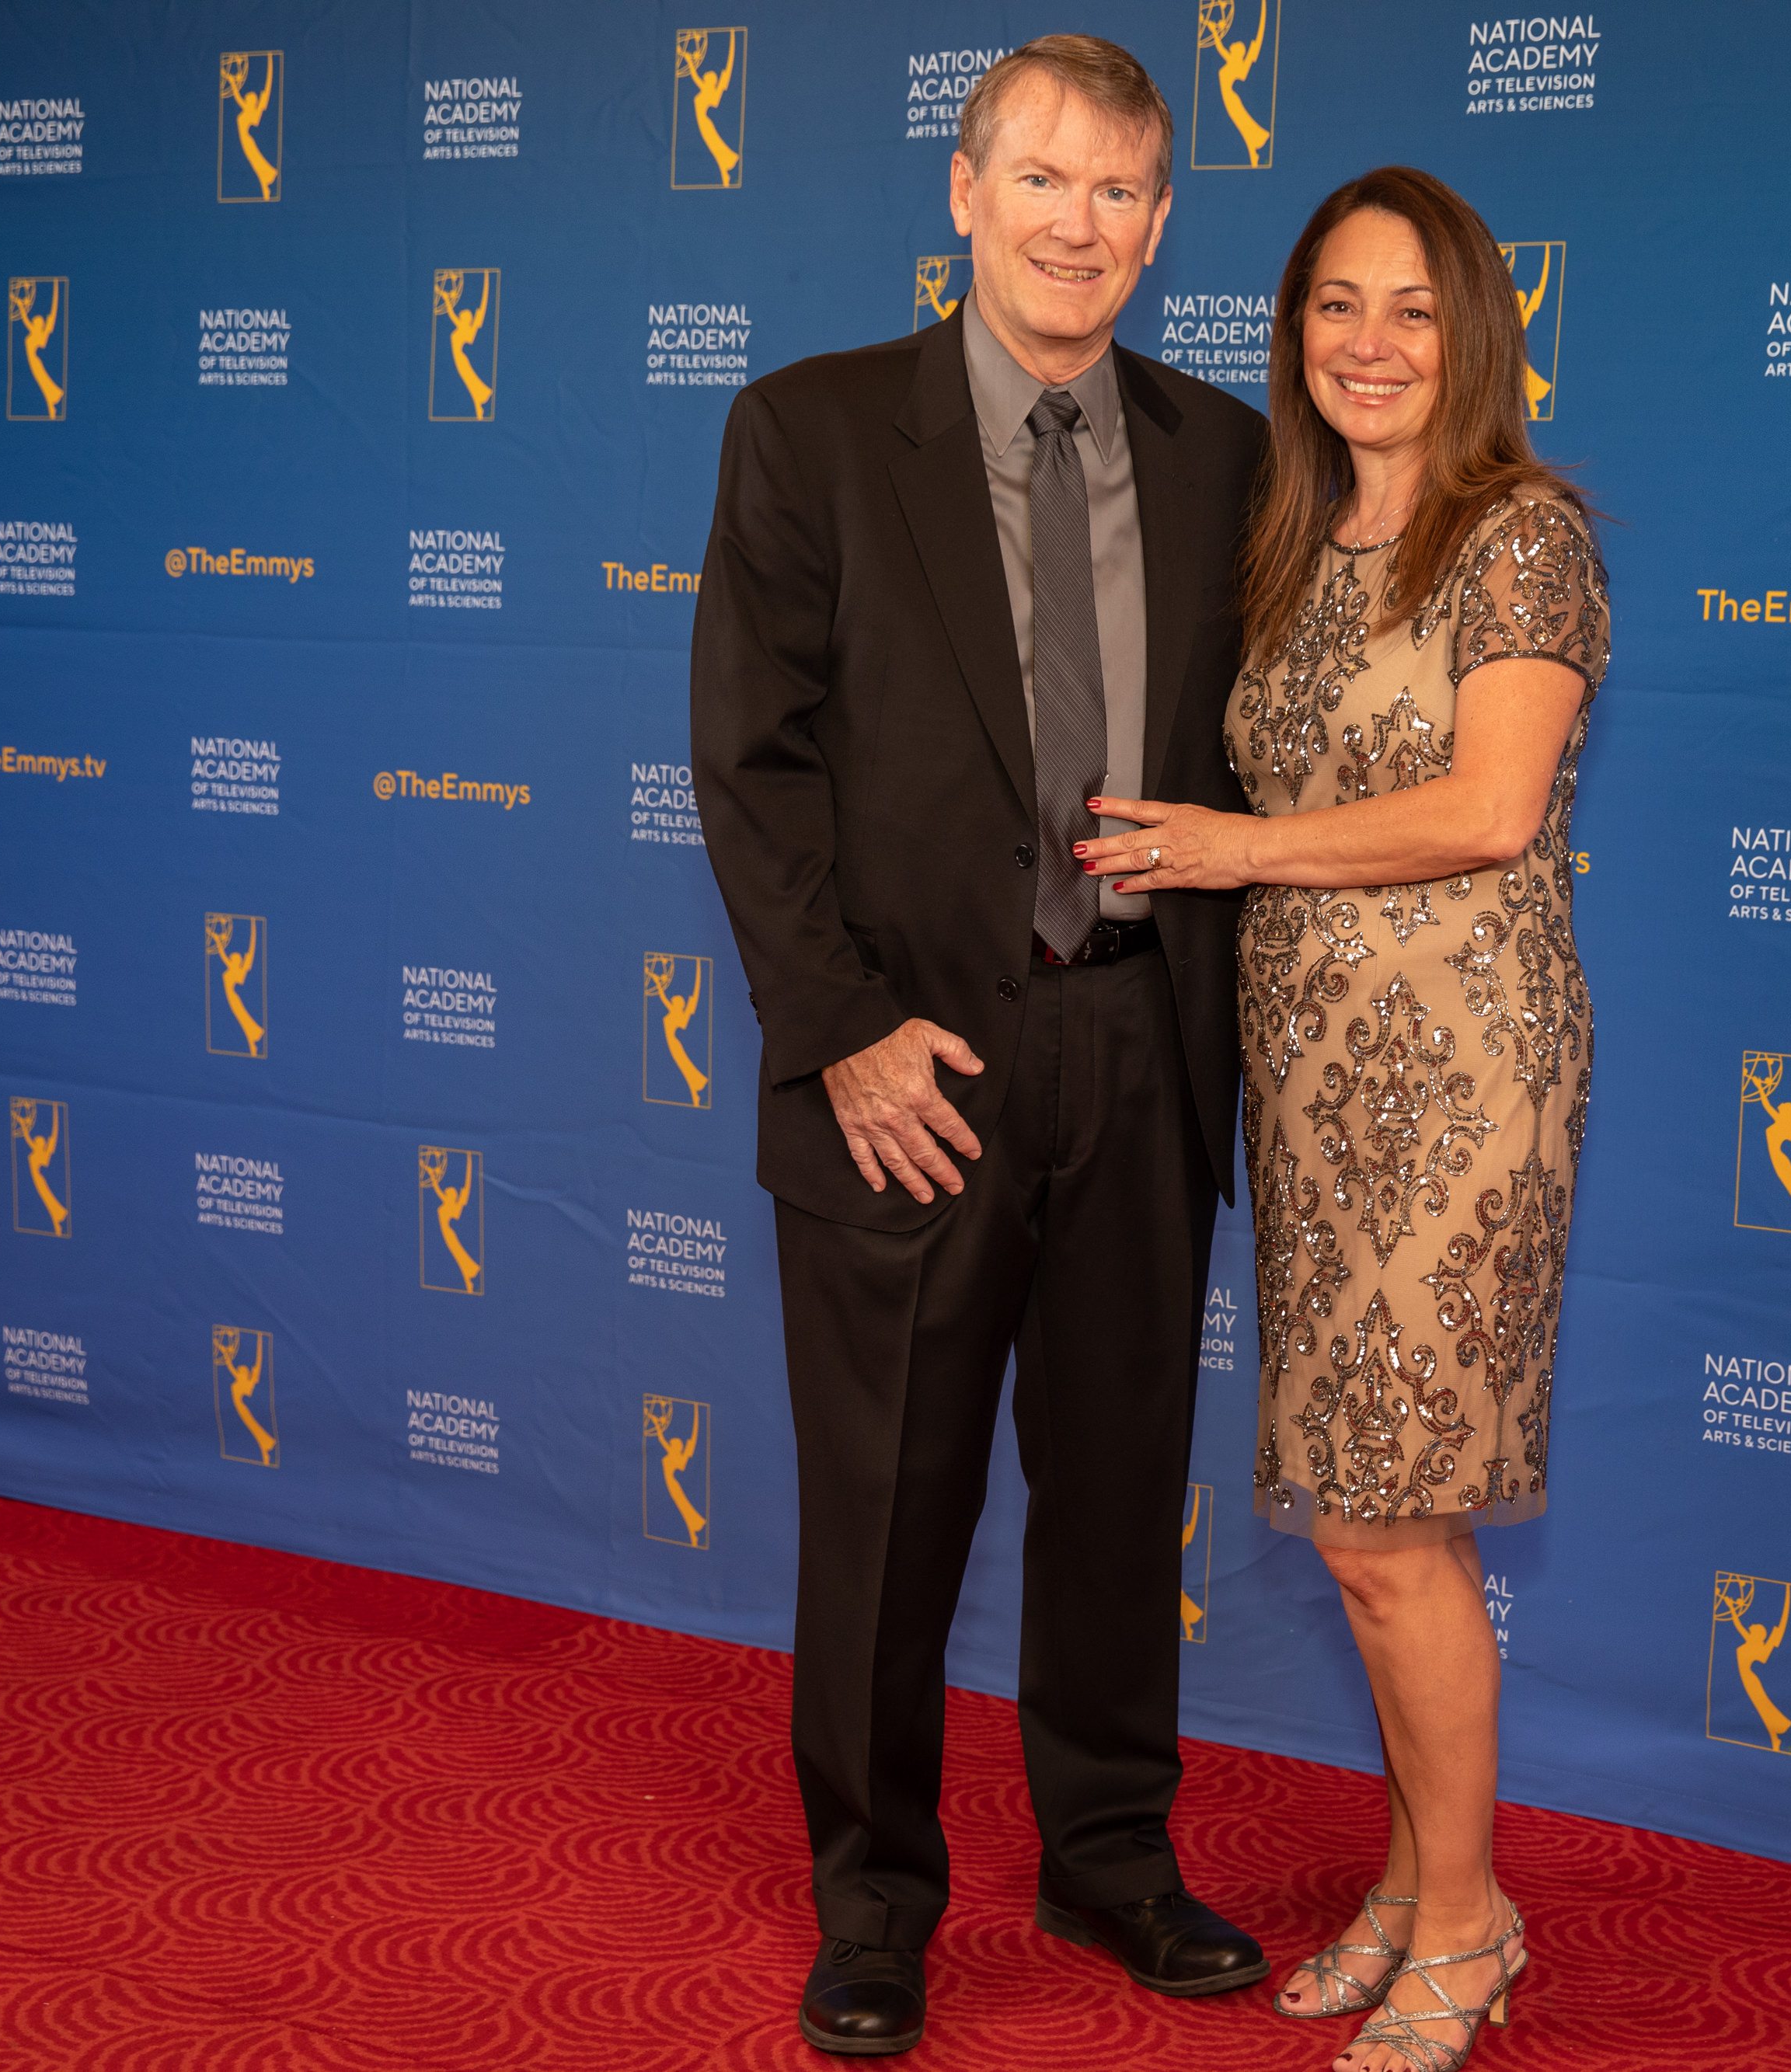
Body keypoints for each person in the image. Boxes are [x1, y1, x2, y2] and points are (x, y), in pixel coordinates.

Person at [687, 37, 1270, 2059]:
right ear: (963, 192)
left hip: (1140, 1048)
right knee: (886, 1509)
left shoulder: (1226, 455)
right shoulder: (812, 428)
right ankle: (873, 1899)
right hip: (908, 1072)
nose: (1074, 226)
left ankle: (1110, 1857)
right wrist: (842, 1032)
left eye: (1116, 192)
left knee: (1118, 1493)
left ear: (1161, 223)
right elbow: (750, 761)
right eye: (1040, 179)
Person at [1085, 165, 1608, 2072]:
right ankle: (1411, 1880)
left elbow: (1487, 808)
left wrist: (1229, 847)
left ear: (1473, 334)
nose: (1369, 343)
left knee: (1389, 1524)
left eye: (1410, 308)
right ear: (1291, 328)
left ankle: (1465, 1923)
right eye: (1333, 304)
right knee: (1367, 1525)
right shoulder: (1291, 538)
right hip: (1309, 1083)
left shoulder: (1521, 534)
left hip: (1458, 1081)